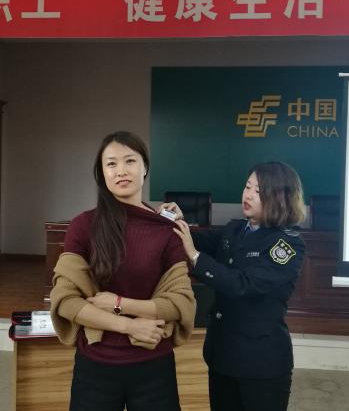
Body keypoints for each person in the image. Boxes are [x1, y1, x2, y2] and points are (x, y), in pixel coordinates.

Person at [50, 130, 196, 411]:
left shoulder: (166, 231)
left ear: (145, 168)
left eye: (130, 161)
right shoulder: (83, 226)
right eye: (111, 164)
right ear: (102, 173)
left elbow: (181, 303)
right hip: (96, 365)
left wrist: (118, 303)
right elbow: (65, 300)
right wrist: (128, 325)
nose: (121, 171)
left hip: (154, 364)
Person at [164, 161, 306, 411]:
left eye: (258, 191)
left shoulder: (287, 244)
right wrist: (177, 220)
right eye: (247, 186)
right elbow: (197, 239)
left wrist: (195, 257)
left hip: (261, 365)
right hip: (222, 356)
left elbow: (245, 285)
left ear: (280, 198)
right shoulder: (235, 229)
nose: (247, 195)